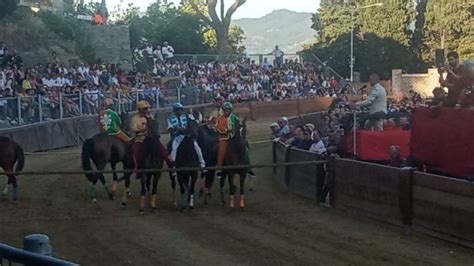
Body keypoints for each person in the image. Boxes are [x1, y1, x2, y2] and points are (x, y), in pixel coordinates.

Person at [130, 100, 172, 167]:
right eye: (144, 109)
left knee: (163, 150)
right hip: (141, 139)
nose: (146, 110)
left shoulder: (151, 117)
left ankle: (170, 164)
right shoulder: (135, 118)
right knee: (136, 152)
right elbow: (133, 128)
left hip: (152, 138)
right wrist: (142, 129)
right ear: (140, 109)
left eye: (147, 108)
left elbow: (155, 126)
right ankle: (138, 167)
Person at [168, 102, 205, 168]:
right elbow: (170, 128)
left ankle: (202, 163)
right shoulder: (170, 118)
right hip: (177, 137)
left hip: (187, 136)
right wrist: (178, 129)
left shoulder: (185, 116)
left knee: (197, 147)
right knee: (174, 149)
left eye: (181, 109)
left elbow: (191, 122)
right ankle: (173, 166)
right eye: (178, 109)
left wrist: (191, 114)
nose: (180, 111)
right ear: (175, 110)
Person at [215, 102, 239, 173]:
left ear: (230, 110)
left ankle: (247, 164)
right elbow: (218, 128)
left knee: (244, 146)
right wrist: (226, 130)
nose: (226, 112)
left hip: (234, 137)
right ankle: (219, 167)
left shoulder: (234, 117)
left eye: (228, 110)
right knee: (221, 151)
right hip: (224, 138)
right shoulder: (220, 118)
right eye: (225, 110)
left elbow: (238, 125)